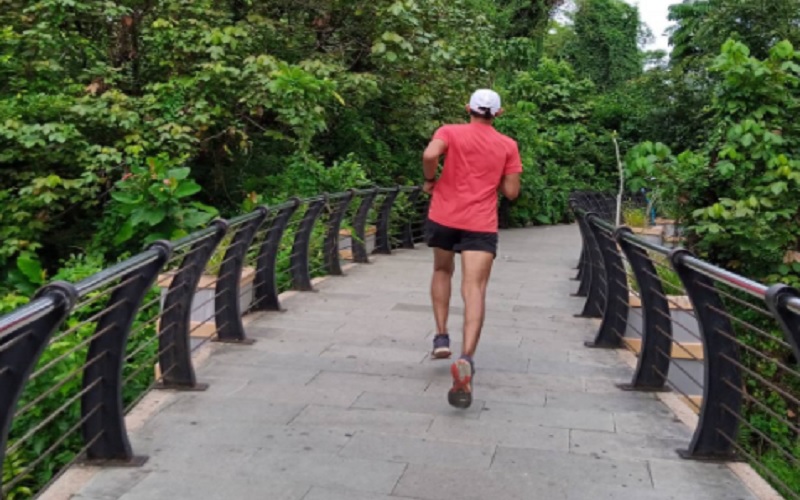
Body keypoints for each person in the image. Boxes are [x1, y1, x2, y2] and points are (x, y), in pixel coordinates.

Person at [422, 89, 522, 409]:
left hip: (444, 216)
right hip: (480, 222)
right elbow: (511, 192)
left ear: (468, 108)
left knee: (442, 270)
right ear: (498, 113)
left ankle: (441, 337)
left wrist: (430, 179)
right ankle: (466, 357)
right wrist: (497, 175)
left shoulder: (449, 131)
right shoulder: (507, 145)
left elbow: (430, 155)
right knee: (474, 287)